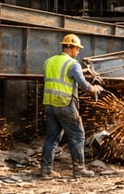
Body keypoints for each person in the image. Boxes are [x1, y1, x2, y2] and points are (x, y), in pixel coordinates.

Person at [39, 34, 104, 179]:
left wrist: (83, 72)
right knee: (77, 135)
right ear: (71, 48)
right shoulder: (72, 64)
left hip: (50, 104)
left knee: (51, 138)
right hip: (65, 104)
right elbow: (82, 84)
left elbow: (57, 77)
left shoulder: (48, 61)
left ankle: (46, 170)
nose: (78, 52)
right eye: (78, 49)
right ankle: (79, 169)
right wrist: (94, 89)